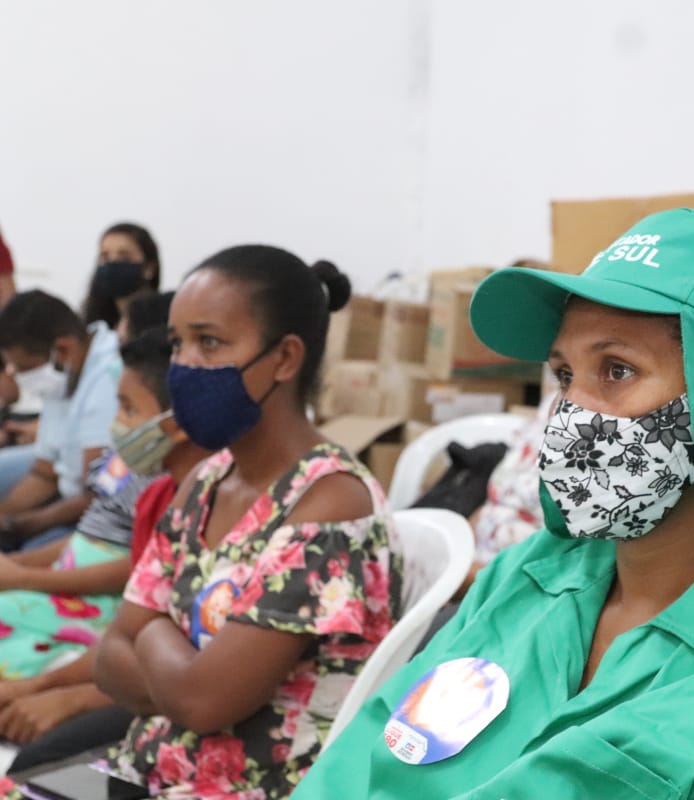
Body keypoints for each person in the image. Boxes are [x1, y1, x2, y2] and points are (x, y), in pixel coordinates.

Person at [296, 209, 694, 799]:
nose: (571, 413)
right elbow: (358, 766)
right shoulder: (526, 580)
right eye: (565, 375)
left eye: (616, 370)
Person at [92, 246, 403, 798]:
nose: (184, 365)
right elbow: (108, 659)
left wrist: (153, 628)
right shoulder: (205, 481)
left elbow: (203, 701)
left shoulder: (330, 504)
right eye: (177, 343)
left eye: (209, 343)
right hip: (148, 770)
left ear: (284, 359)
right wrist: (178, 672)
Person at [0, 326, 207, 766]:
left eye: (128, 408)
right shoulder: (149, 487)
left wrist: (62, 695)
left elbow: (140, 610)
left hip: (151, 683)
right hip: (125, 661)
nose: (116, 425)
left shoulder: (197, 505)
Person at [0, 291, 121, 551]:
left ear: (63, 349)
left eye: (23, 368)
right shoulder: (64, 374)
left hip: (97, 511)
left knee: (26, 553)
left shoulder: (108, 379)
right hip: (69, 490)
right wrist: (5, 517)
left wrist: (25, 523)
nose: (18, 377)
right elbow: (45, 472)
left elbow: (96, 496)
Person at [82, 222, 161, 330]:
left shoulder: (164, 323)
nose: (112, 262)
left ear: (149, 268)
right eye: (105, 256)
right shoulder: (92, 329)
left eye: (124, 256)